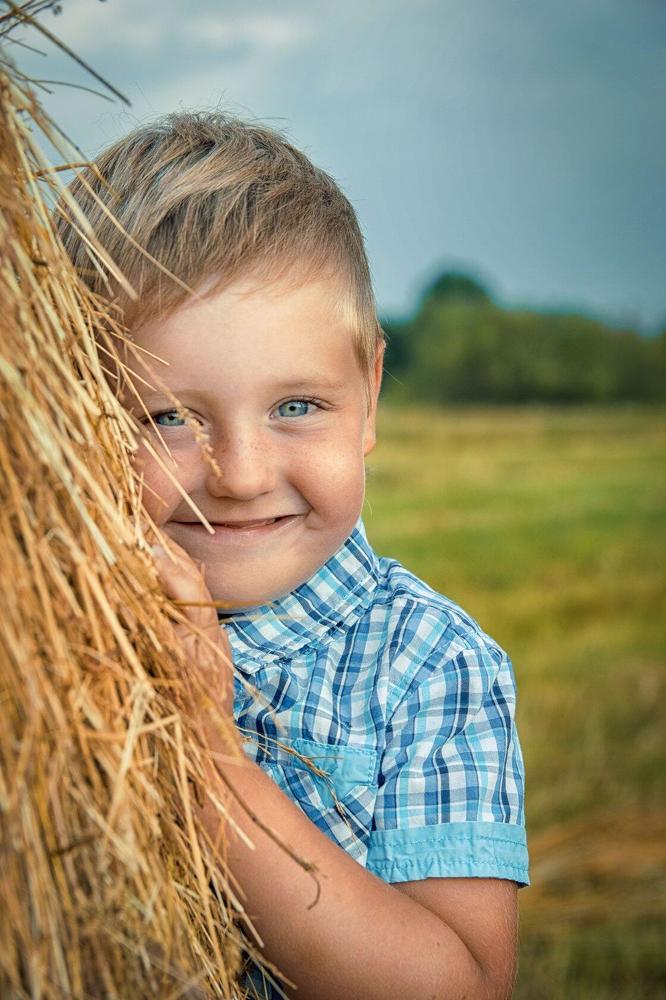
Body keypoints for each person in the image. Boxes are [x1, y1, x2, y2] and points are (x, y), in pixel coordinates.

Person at [57, 111, 528, 999]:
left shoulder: (430, 666)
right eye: (168, 418)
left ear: (370, 394)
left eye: (297, 407)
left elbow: (460, 986)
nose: (239, 475)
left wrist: (206, 753)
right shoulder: (44, 635)